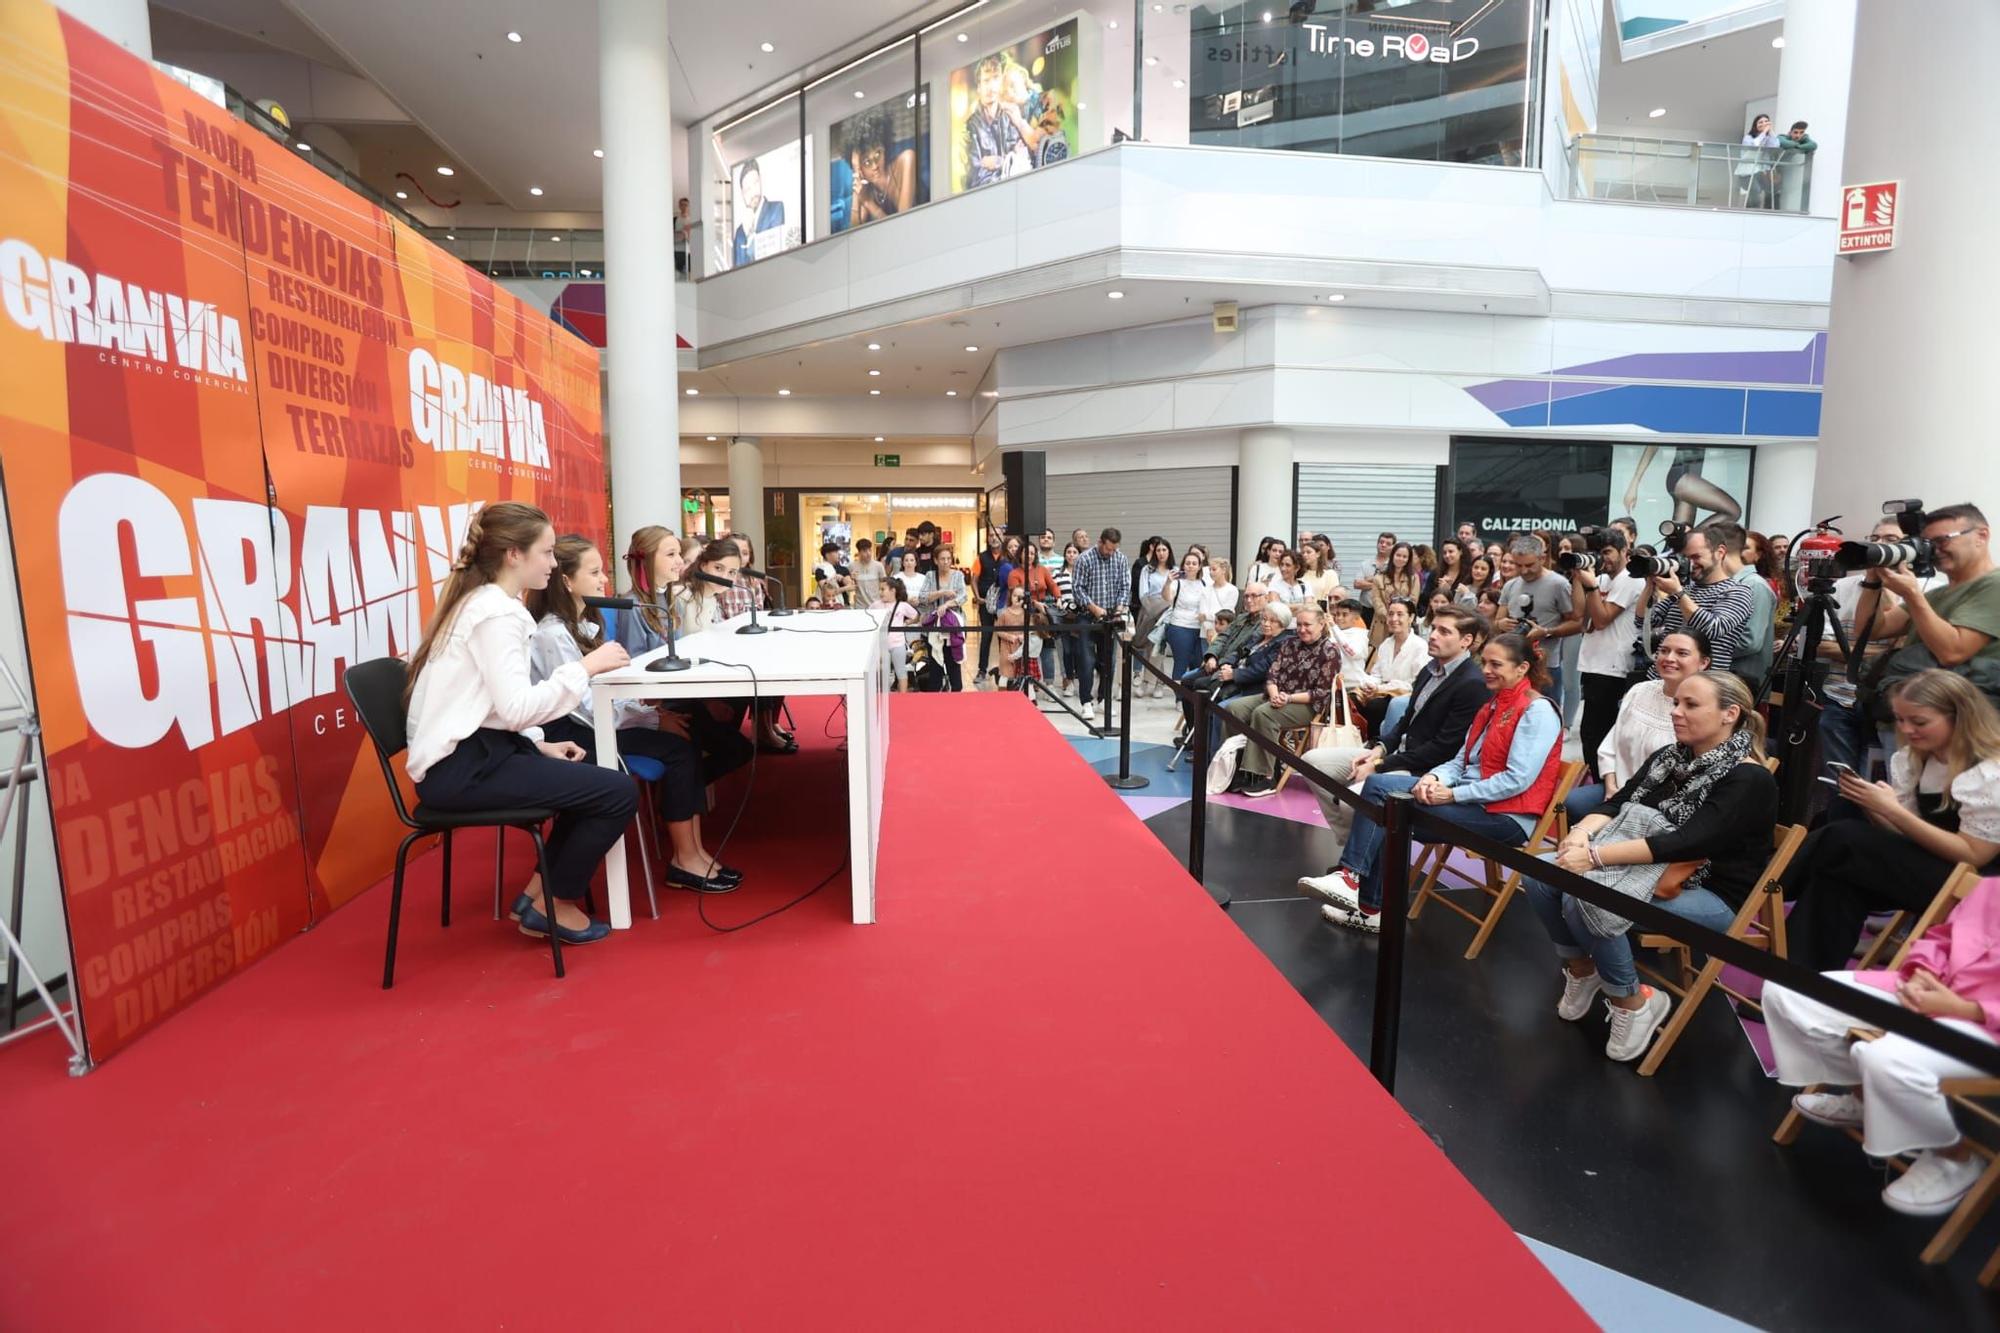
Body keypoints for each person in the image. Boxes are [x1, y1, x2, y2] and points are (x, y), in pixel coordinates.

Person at [402, 503, 636, 946]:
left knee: (587, 784)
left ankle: (535, 896)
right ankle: (556, 904)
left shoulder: (483, 604)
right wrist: (583, 668)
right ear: (514, 554)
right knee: (617, 792)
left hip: (474, 755)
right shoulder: (497, 614)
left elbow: (485, 708)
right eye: (547, 553)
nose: (553, 563)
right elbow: (514, 709)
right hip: (462, 770)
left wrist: (536, 747)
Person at [1522, 671, 1778, 1060]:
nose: (1676, 711)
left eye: (1691, 705)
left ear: (1730, 714)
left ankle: (1631, 1003)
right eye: (1677, 702)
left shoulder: (1749, 778)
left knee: (1587, 896)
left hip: (1710, 893)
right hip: (1648, 869)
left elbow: (1685, 842)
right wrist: (1580, 834)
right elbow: (1616, 803)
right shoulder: (1670, 757)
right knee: (1539, 873)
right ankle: (1581, 969)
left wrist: (1593, 857)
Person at [1763, 873, 2000, 1219]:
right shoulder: (1993, 886)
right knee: (1788, 993)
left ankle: (1956, 1156)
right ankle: (1866, 1096)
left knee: (1888, 1060)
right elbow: (1941, 938)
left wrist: (1964, 1009)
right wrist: (1923, 971)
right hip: (1929, 992)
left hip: (1986, 1026)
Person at [528, 536, 741, 894]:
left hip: (594, 722)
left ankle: (693, 852)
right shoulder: (553, 635)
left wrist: (646, 715)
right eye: (595, 573)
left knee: (686, 740)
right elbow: (585, 709)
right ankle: (685, 858)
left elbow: (600, 700)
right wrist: (651, 718)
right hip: (573, 734)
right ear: (566, 580)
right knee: (678, 749)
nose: (603, 582)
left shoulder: (580, 626)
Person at [1312, 633, 1564, 935]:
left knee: (1388, 806)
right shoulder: (1493, 704)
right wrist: (1434, 778)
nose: (1486, 670)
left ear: (1522, 669)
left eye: (1496, 664)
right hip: (1474, 803)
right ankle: (1360, 891)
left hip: (1505, 817)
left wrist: (1453, 794)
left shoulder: (1538, 712)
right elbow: (1461, 761)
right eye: (1484, 662)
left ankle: (1359, 889)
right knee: (1382, 791)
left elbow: (1517, 780)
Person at [1784, 670, 2000, 973]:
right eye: (1900, 719)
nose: (1907, 729)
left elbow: (1974, 856)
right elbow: (1907, 836)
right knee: (1835, 879)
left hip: (1979, 889)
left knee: (1845, 838)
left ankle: (1766, 886)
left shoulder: (1989, 772)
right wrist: (1873, 805)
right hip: (1933, 871)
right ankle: (1795, 986)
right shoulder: (1915, 758)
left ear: (1959, 717)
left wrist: (1893, 811)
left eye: (1919, 722)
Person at [1294, 606, 1491, 844]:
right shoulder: (1430, 671)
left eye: (1444, 631)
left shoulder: (1472, 683)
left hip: (1427, 771)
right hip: (1398, 755)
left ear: (1466, 641)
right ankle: (1351, 847)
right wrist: (1378, 750)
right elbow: (1403, 723)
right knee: (1312, 762)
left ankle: (1357, 861)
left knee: (1352, 801)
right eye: (1434, 628)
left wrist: (1379, 765)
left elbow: (1444, 749)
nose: (1434, 635)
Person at [1817, 516, 1942, 783]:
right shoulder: (1842, 587)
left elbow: (1914, 651)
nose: (1880, 548)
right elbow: (1820, 645)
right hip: (1839, 699)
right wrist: (1886, 651)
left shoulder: (1926, 590)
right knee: (1839, 783)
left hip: (1891, 706)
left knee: (1883, 784)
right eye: (1875, 540)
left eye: (1891, 541)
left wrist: (1887, 588)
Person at [1851, 503, 2000, 728]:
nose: (1934, 551)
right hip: (1911, 721)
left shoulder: (1993, 585)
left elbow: (1952, 652)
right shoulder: (1936, 594)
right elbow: (1869, 631)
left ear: (1982, 535)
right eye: (1928, 544)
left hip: (1961, 728)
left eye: (1943, 540)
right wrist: (1873, 580)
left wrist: (1911, 594)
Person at [1569, 629, 1713, 824]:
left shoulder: (1706, 708)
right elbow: (1611, 745)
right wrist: (1612, 787)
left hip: (1661, 802)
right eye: (1664, 651)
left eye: (1682, 653)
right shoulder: (1639, 691)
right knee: (1571, 803)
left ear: (1703, 663)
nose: (1669, 658)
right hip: (1617, 787)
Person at [1223, 603, 1340, 798]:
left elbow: (1322, 692)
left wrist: (1288, 698)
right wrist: (1275, 691)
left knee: (1264, 713)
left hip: (1307, 704)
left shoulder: (1330, 651)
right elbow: (1273, 673)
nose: (1302, 629)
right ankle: (1235, 769)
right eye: (1299, 624)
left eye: (1308, 625)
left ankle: (1264, 775)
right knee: (1233, 708)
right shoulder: (1289, 643)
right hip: (1276, 695)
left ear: (1321, 624)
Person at [1631, 519, 1755, 676]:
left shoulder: (1738, 591)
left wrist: (1678, 593)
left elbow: (1713, 629)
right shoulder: (1684, 590)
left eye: (1696, 557)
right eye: (1684, 558)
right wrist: (1650, 585)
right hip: (1660, 680)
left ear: (1720, 552)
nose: (1690, 564)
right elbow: (1643, 621)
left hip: (1702, 686)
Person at [1573, 527, 1646, 775]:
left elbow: (1602, 619)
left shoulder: (1632, 579)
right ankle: (1594, 782)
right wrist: (1577, 577)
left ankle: (1603, 786)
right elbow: (1579, 617)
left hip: (1614, 668)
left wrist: (1591, 588)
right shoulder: (1602, 579)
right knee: (1588, 734)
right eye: (1597, 552)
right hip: (1593, 664)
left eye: (1607, 552)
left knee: (1600, 735)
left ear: (1625, 551)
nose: (1602, 558)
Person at [1496, 535, 1581, 714]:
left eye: (1529, 565)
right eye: (1518, 565)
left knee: (1545, 718)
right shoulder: (1510, 585)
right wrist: (1502, 624)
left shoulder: (1558, 584)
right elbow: (1498, 620)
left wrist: (1546, 632)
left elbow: (1575, 623)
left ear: (1542, 558)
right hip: (1514, 665)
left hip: (1546, 667)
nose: (1524, 571)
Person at [1716, 521, 1778, 691]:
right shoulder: (1727, 583)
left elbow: (1749, 641)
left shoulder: (1754, 585)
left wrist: (1704, 650)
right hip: (1725, 677)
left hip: (1740, 682)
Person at [1071, 528, 1127, 711]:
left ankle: (1104, 699)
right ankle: (1086, 701)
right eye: (1108, 549)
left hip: (1110, 617)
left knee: (1108, 662)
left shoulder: (1120, 559)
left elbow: (1125, 587)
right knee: (1086, 661)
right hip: (1087, 616)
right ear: (1100, 542)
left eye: (1114, 549)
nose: (1110, 553)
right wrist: (1093, 608)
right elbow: (1078, 589)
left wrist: (1119, 608)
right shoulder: (1084, 559)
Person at [1355, 597, 1428, 734]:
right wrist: (1370, 684)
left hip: (1404, 696)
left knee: (1374, 706)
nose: (1394, 619)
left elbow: (1415, 683)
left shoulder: (1420, 646)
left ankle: (1377, 742)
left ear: (1411, 618)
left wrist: (1381, 688)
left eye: (1400, 614)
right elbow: (1377, 674)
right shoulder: (1386, 644)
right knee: (1353, 698)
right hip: (1382, 691)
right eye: (1391, 614)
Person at [963, 55, 1029, 189]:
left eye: (996, 78)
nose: (991, 86)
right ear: (979, 87)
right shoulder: (970, 127)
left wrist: (999, 162)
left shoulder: (1012, 116)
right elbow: (974, 178)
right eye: (986, 80)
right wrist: (1009, 164)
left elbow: (1024, 164)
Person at [920, 544, 970, 692]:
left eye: (948, 558)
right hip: (934, 625)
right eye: (942, 559)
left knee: (954, 661)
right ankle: (936, 698)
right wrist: (942, 592)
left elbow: (963, 596)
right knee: (935, 663)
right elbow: (923, 597)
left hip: (953, 624)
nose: (946, 562)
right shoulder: (930, 576)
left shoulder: (958, 575)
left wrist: (947, 605)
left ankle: (955, 694)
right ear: (936, 560)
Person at [1158, 551, 1211, 685]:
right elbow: (1167, 597)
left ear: (1200, 566)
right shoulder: (1178, 583)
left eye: (1194, 563)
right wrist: (1168, 582)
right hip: (1180, 626)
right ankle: (1179, 699)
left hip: (1200, 629)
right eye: (1188, 563)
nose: (1191, 566)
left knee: (1198, 663)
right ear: (1183, 566)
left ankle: (1192, 699)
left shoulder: (1204, 584)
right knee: (1181, 662)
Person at [730, 159, 787, 268]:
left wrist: (750, 235)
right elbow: (737, 271)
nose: (752, 193)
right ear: (742, 194)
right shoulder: (740, 233)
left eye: (755, 183)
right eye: (747, 189)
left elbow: (773, 256)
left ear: (761, 180)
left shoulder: (775, 210)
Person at [1739, 114, 1783, 210]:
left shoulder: (1768, 138)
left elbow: (1776, 146)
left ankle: (1770, 212)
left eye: (1766, 121)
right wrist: (1764, 132)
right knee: (1755, 190)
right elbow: (1755, 145)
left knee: (1773, 190)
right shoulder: (1748, 137)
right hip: (1748, 172)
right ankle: (1751, 212)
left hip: (1763, 172)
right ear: (1755, 125)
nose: (1763, 124)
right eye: (1760, 122)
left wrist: (1770, 131)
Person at [1326, 598, 1372, 688]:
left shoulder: (1362, 635)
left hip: (1352, 686)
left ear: (1356, 618)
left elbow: (1352, 653)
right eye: (1337, 614)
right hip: (1331, 684)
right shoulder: (1332, 631)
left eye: (1344, 615)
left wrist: (1334, 628)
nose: (1339, 618)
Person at [886, 580, 921, 689]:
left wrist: (907, 622)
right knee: (882, 673)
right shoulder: (877, 604)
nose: (880, 592)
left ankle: (902, 697)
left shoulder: (902, 605)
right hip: (881, 645)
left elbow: (916, 616)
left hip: (898, 643)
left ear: (893, 591)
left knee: (900, 671)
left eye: (883, 589)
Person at [1353, 532, 1397, 617]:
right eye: (1381, 542)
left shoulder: (1394, 566)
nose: (1383, 545)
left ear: (1393, 547)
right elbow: (1357, 584)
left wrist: (1369, 580)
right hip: (1365, 609)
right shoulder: (1365, 564)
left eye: (1388, 544)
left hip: (1386, 610)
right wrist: (1380, 583)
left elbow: (1392, 586)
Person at [813, 540, 854, 609]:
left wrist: (843, 579)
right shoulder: (820, 570)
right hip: (827, 606)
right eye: (836, 552)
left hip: (844, 604)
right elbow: (825, 590)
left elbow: (851, 586)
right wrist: (844, 587)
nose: (839, 554)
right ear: (827, 555)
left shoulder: (843, 569)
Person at [1300, 542, 1342, 608]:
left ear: (1318, 554)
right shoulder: (1300, 574)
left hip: (1322, 613)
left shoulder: (1330, 574)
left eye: (1308, 552)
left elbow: (1331, 597)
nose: (1305, 555)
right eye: (1303, 553)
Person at [1433, 539, 1471, 607]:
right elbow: (1427, 597)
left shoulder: (1469, 573)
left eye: (1451, 552)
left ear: (1460, 552)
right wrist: (1440, 590)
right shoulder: (1436, 573)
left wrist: (1448, 591)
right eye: (1444, 553)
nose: (1447, 555)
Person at [850, 537, 887, 606]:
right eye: (864, 551)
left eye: (870, 550)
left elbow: (884, 585)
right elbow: (850, 586)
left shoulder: (878, 566)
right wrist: (851, 580)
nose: (868, 553)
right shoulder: (852, 566)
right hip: (860, 606)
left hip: (876, 605)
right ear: (859, 552)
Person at [673, 197, 692, 276]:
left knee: (689, 271)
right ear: (679, 206)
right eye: (682, 205)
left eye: (686, 205)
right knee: (679, 271)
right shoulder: (675, 219)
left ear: (688, 206)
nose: (684, 207)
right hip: (678, 249)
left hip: (689, 249)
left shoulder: (691, 220)